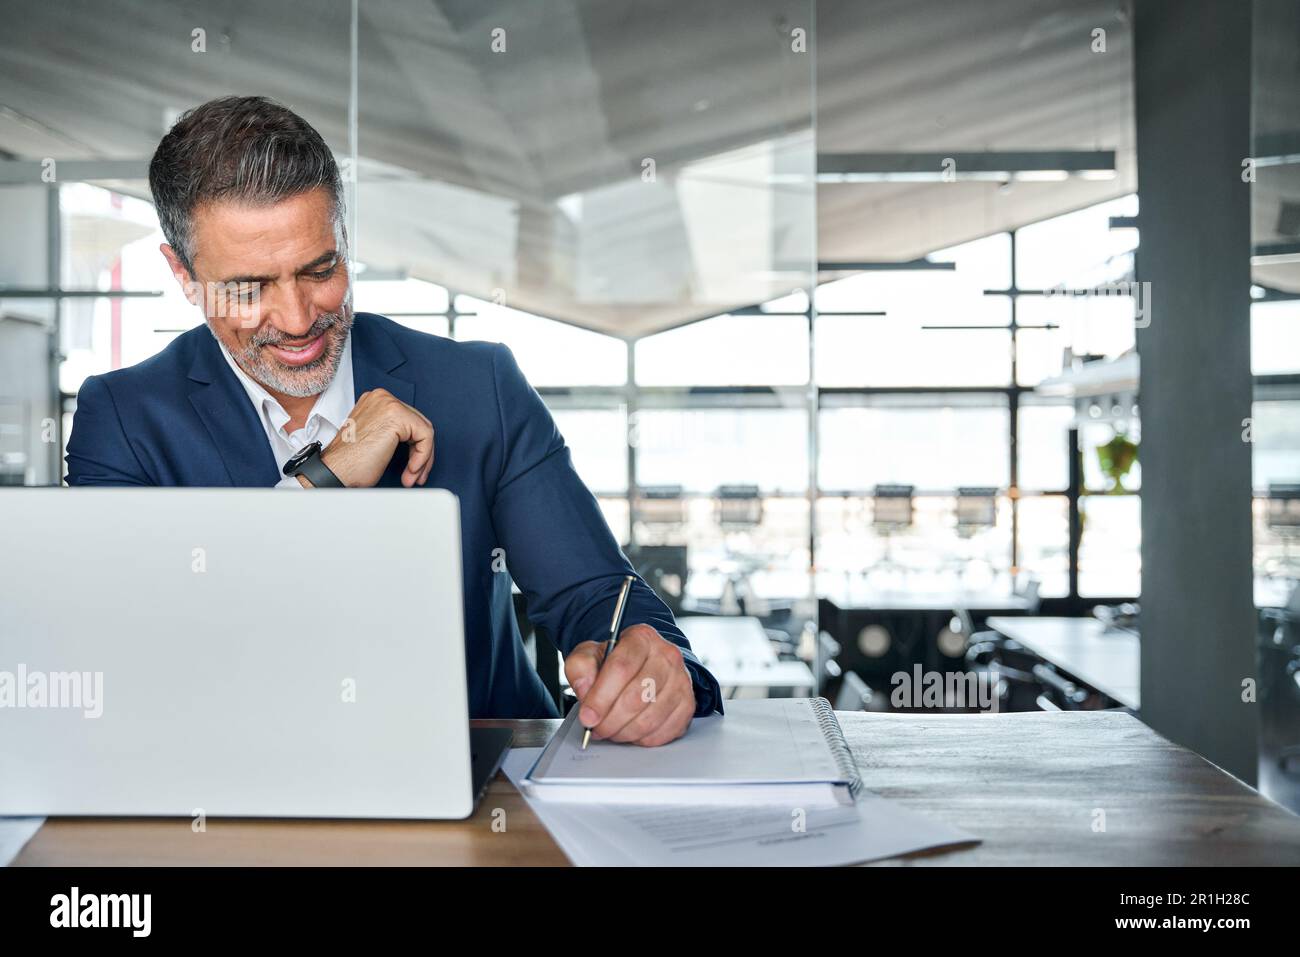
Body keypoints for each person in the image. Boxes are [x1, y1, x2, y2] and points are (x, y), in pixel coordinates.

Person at [66, 95, 721, 746]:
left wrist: (662, 671)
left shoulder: (478, 388)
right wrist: (326, 476)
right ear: (183, 273)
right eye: (248, 289)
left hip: (487, 793)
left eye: (320, 269)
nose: (298, 320)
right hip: (238, 792)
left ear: (345, 235)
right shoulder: (123, 418)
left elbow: (600, 598)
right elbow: (131, 653)